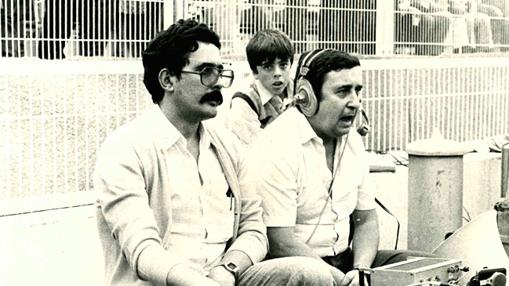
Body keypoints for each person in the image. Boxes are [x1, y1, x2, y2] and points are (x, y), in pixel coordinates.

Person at [94, 18, 336, 286]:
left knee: (310, 274)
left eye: (220, 72)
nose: (219, 83)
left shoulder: (226, 146)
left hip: (224, 277)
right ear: (167, 79)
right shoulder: (125, 149)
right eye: (206, 72)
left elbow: (254, 227)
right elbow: (143, 250)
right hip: (161, 282)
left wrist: (228, 269)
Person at [242, 49, 432, 286]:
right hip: (294, 267)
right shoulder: (277, 144)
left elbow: (367, 221)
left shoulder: (351, 140)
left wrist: (361, 271)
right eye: (343, 91)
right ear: (307, 96)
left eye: (357, 91)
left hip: (346, 264)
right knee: (316, 277)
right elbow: (280, 241)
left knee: (430, 266)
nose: (355, 102)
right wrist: (342, 281)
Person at [228, 29, 295, 145]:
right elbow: (257, 151)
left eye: (283, 65)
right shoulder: (244, 101)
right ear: (255, 72)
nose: (277, 73)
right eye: (268, 67)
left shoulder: (299, 89)